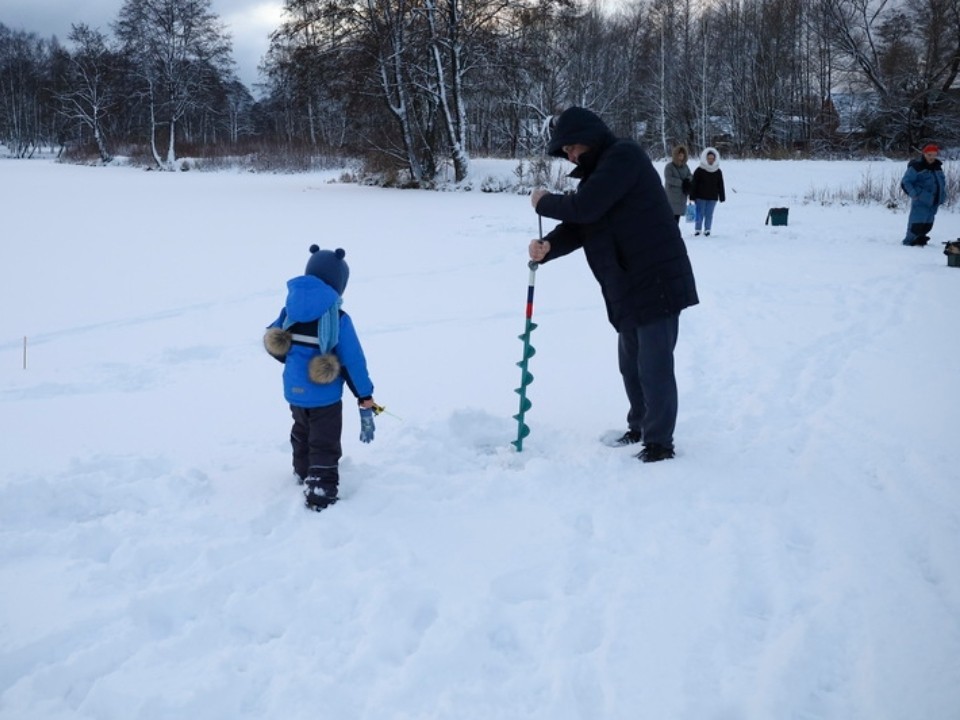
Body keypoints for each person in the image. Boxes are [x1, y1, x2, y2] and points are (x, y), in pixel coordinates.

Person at [529, 107, 699, 463]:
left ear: (588, 137)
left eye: (572, 148)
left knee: (654, 366)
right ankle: (640, 426)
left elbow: (585, 208)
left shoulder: (624, 156)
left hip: (656, 278)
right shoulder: (597, 178)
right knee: (631, 364)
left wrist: (544, 202)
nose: (570, 156)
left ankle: (659, 444)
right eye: (566, 152)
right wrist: (549, 248)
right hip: (626, 282)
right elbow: (581, 224)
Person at [264, 245, 376, 511]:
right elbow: (352, 361)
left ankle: (303, 472)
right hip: (324, 396)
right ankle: (320, 491)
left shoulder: (290, 310)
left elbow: (274, 342)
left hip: (294, 391)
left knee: (302, 431)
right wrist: (364, 394)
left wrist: (292, 363)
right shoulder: (338, 318)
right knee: (324, 442)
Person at [901, 144, 947, 246]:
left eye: (934, 155)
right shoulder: (916, 167)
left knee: (928, 223)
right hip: (921, 200)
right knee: (916, 222)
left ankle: (920, 238)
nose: (931, 157)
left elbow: (942, 182)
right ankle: (909, 242)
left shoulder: (938, 167)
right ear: (924, 154)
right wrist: (915, 194)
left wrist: (942, 195)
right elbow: (906, 182)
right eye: (929, 155)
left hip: (934, 201)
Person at [689, 147, 725, 236]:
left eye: (712, 158)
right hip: (700, 196)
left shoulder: (718, 171)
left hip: (712, 197)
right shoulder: (699, 170)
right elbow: (694, 183)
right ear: (705, 158)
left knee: (709, 214)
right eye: (709, 158)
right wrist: (692, 196)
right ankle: (698, 229)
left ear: (715, 159)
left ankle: (707, 229)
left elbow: (720, 184)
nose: (710, 160)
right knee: (699, 213)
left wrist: (722, 196)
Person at [664, 144, 693, 223]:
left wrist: (688, 180)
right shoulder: (669, 166)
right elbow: (669, 178)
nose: (681, 157)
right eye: (679, 155)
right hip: (672, 196)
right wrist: (682, 183)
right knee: (671, 217)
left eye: (682, 156)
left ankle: (675, 230)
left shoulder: (685, 166)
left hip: (681, 196)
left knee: (677, 217)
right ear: (675, 155)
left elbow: (690, 175)